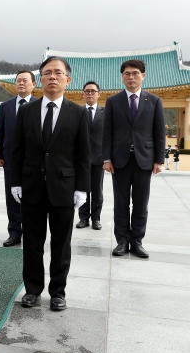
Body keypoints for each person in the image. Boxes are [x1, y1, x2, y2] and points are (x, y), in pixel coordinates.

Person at [10, 56, 90, 311]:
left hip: (64, 189)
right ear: (40, 80)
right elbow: (17, 150)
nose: (52, 77)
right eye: (47, 73)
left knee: (61, 243)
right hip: (32, 186)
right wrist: (15, 183)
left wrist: (82, 188)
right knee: (32, 242)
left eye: (57, 73)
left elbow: (83, 154)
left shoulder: (77, 112)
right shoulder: (27, 111)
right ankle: (32, 289)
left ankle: (58, 291)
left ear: (68, 79)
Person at [103, 59, 165, 259]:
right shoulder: (113, 101)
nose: (131, 77)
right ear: (122, 77)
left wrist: (159, 160)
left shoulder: (154, 101)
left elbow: (158, 133)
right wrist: (106, 158)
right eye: (127, 73)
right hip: (119, 160)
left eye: (135, 73)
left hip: (144, 160)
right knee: (121, 203)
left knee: (140, 203)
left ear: (143, 76)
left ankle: (137, 241)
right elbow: (107, 133)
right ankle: (122, 240)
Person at [0, 70, 38, 247]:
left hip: (34, 162)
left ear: (33, 84)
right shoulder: (6, 106)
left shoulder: (40, 105)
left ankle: (32, 233)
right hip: (11, 160)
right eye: (18, 81)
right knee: (12, 199)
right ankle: (14, 233)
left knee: (32, 199)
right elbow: (0, 132)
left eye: (25, 81)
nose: (21, 83)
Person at [76, 81, 104, 231]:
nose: (90, 93)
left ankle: (96, 219)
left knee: (97, 191)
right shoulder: (77, 112)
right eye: (87, 91)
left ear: (99, 94)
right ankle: (83, 218)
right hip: (81, 158)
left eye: (93, 91)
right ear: (83, 94)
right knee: (83, 189)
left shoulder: (104, 113)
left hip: (99, 158)